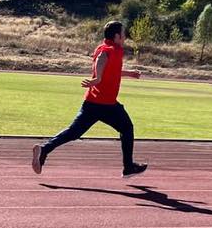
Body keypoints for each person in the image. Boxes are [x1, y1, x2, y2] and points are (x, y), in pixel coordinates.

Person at [31, 20, 146, 177]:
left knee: (73, 132)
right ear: (117, 36)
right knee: (127, 128)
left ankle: (44, 149)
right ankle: (128, 167)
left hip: (92, 102)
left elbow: (110, 69)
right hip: (106, 104)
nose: (125, 36)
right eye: (123, 33)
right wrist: (98, 78)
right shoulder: (112, 49)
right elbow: (102, 60)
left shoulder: (102, 47)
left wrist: (129, 73)